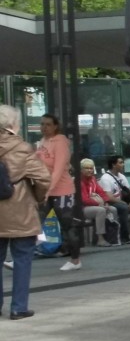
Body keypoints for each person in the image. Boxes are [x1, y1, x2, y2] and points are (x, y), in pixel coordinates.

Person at [0, 104, 52, 319]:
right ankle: (18, 307)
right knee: (22, 259)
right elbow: (43, 178)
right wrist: (37, 198)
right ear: (13, 125)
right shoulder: (22, 148)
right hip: (20, 210)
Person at [35, 113, 82, 272]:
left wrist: (47, 190)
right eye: (42, 124)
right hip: (45, 189)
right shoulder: (43, 142)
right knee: (35, 222)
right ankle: (24, 256)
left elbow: (58, 169)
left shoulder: (60, 142)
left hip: (62, 190)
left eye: (48, 124)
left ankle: (75, 260)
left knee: (67, 225)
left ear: (55, 126)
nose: (44, 128)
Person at [79, 158, 119, 246]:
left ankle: (113, 236)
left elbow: (101, 192)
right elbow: (84, 199)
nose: (89, 170)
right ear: (81, 170)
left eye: (91, 168)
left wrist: (106, 202)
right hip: (82, 208)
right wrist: (99, 204)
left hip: (96, 204)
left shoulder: (93, 179)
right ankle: (100, 239)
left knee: (113, 209)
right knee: (101, 211)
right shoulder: (79, 181)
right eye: (86, 168)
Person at [98, 155, 130, 245]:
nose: (123, 164)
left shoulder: (122, 176)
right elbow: (109, 197)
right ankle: (124, 236)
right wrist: (124, 203)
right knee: (123, 208)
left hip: (125, 201)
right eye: (121, 162)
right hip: (113, 203)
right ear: (113, 165)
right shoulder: (106, 178)